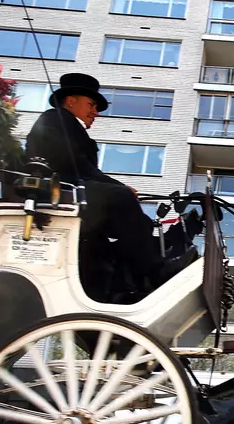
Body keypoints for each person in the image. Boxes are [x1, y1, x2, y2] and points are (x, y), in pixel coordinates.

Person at [24, 73, 195, 288]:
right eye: (91, 105)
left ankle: (131, 275)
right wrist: (118, 187)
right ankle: (155, 271)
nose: (95, 112)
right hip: (61, 190)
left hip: (73, 190)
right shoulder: (55, 119)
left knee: (139, 220)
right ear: (70, 101)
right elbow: (73, 163)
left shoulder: (67, 125)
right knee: (121, 198)